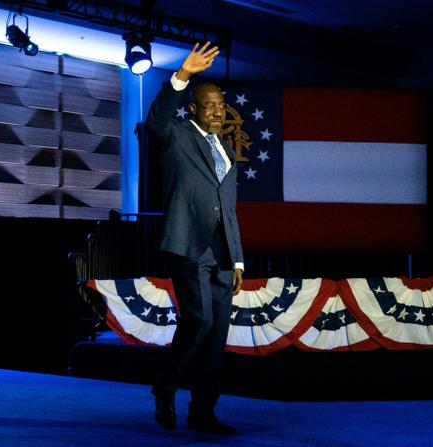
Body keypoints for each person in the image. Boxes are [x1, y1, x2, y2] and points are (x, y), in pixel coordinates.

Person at [144, 41, 244, 435]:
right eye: (210, 105)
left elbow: (229, 209)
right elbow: (156, 120)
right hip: (187, 245)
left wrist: (237, 259)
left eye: (222, 104)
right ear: (195, 109)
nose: (218, 110)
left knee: (216, 338)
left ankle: (203, 412)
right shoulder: (177, 136)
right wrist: (183, 75)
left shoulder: (230, 154)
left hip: (221, 254)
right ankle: (165, 387)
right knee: (198, 319)